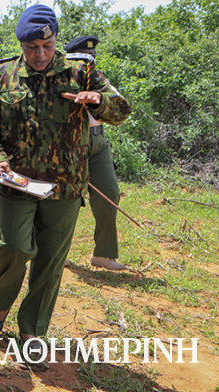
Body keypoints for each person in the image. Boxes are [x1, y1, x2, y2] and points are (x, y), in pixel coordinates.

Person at [0, 5, 131, 368]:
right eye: (31, 48)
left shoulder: (82, 72)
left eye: (46, 46)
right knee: (13, 246)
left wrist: (99, 100)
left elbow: (122, 110)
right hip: (17, 183)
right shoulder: (2, 75)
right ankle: (0, 305)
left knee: (50, 260)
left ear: (56, 40)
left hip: (65, 187)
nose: (40, 55)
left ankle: (32, 333)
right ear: (21, 45)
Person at [64, 35, 131, 271]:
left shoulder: (97, 77)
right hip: (71, 142)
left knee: (109, 193)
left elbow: (119, 104)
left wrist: (98, 99)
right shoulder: (60, 76)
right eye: (81, 59)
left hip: (98, 140)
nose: (85, 65)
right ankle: (55, 253)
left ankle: (104, 254)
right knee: (67, 200)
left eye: (89, 59)